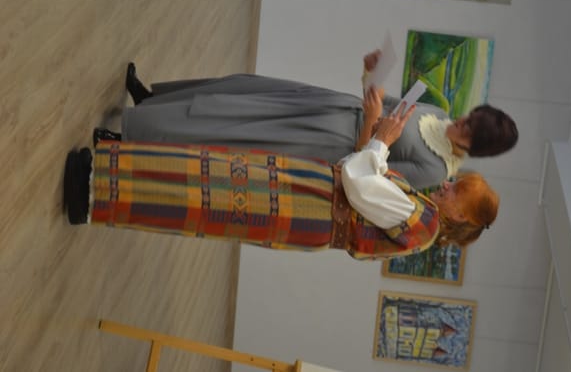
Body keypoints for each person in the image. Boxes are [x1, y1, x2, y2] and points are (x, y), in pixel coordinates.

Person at [67, 106, 498, 260]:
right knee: (203, 178)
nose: (447, 186)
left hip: (305, 207)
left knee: (199, 197)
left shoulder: (424, 222)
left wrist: (382, 141)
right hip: (303, 199)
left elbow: (360, 185)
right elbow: (364, 178)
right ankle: (100, 177)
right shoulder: (423, 214)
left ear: (461, 216)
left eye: (457, 192)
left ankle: (92, 194)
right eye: (455, 184)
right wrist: (377, 146)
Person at [99, 52, 518, 190]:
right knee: (240, 92)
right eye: (469, 116)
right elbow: (382, 100)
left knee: (228, 130)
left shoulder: (434, 170)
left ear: (473, 147)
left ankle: (128, 139)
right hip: (327, 106)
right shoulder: (438, 114)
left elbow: (365, 176)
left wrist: (372, 125)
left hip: (320, 142)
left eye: (468, 129)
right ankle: (153, 100)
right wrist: (371, 75)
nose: (459, 122)